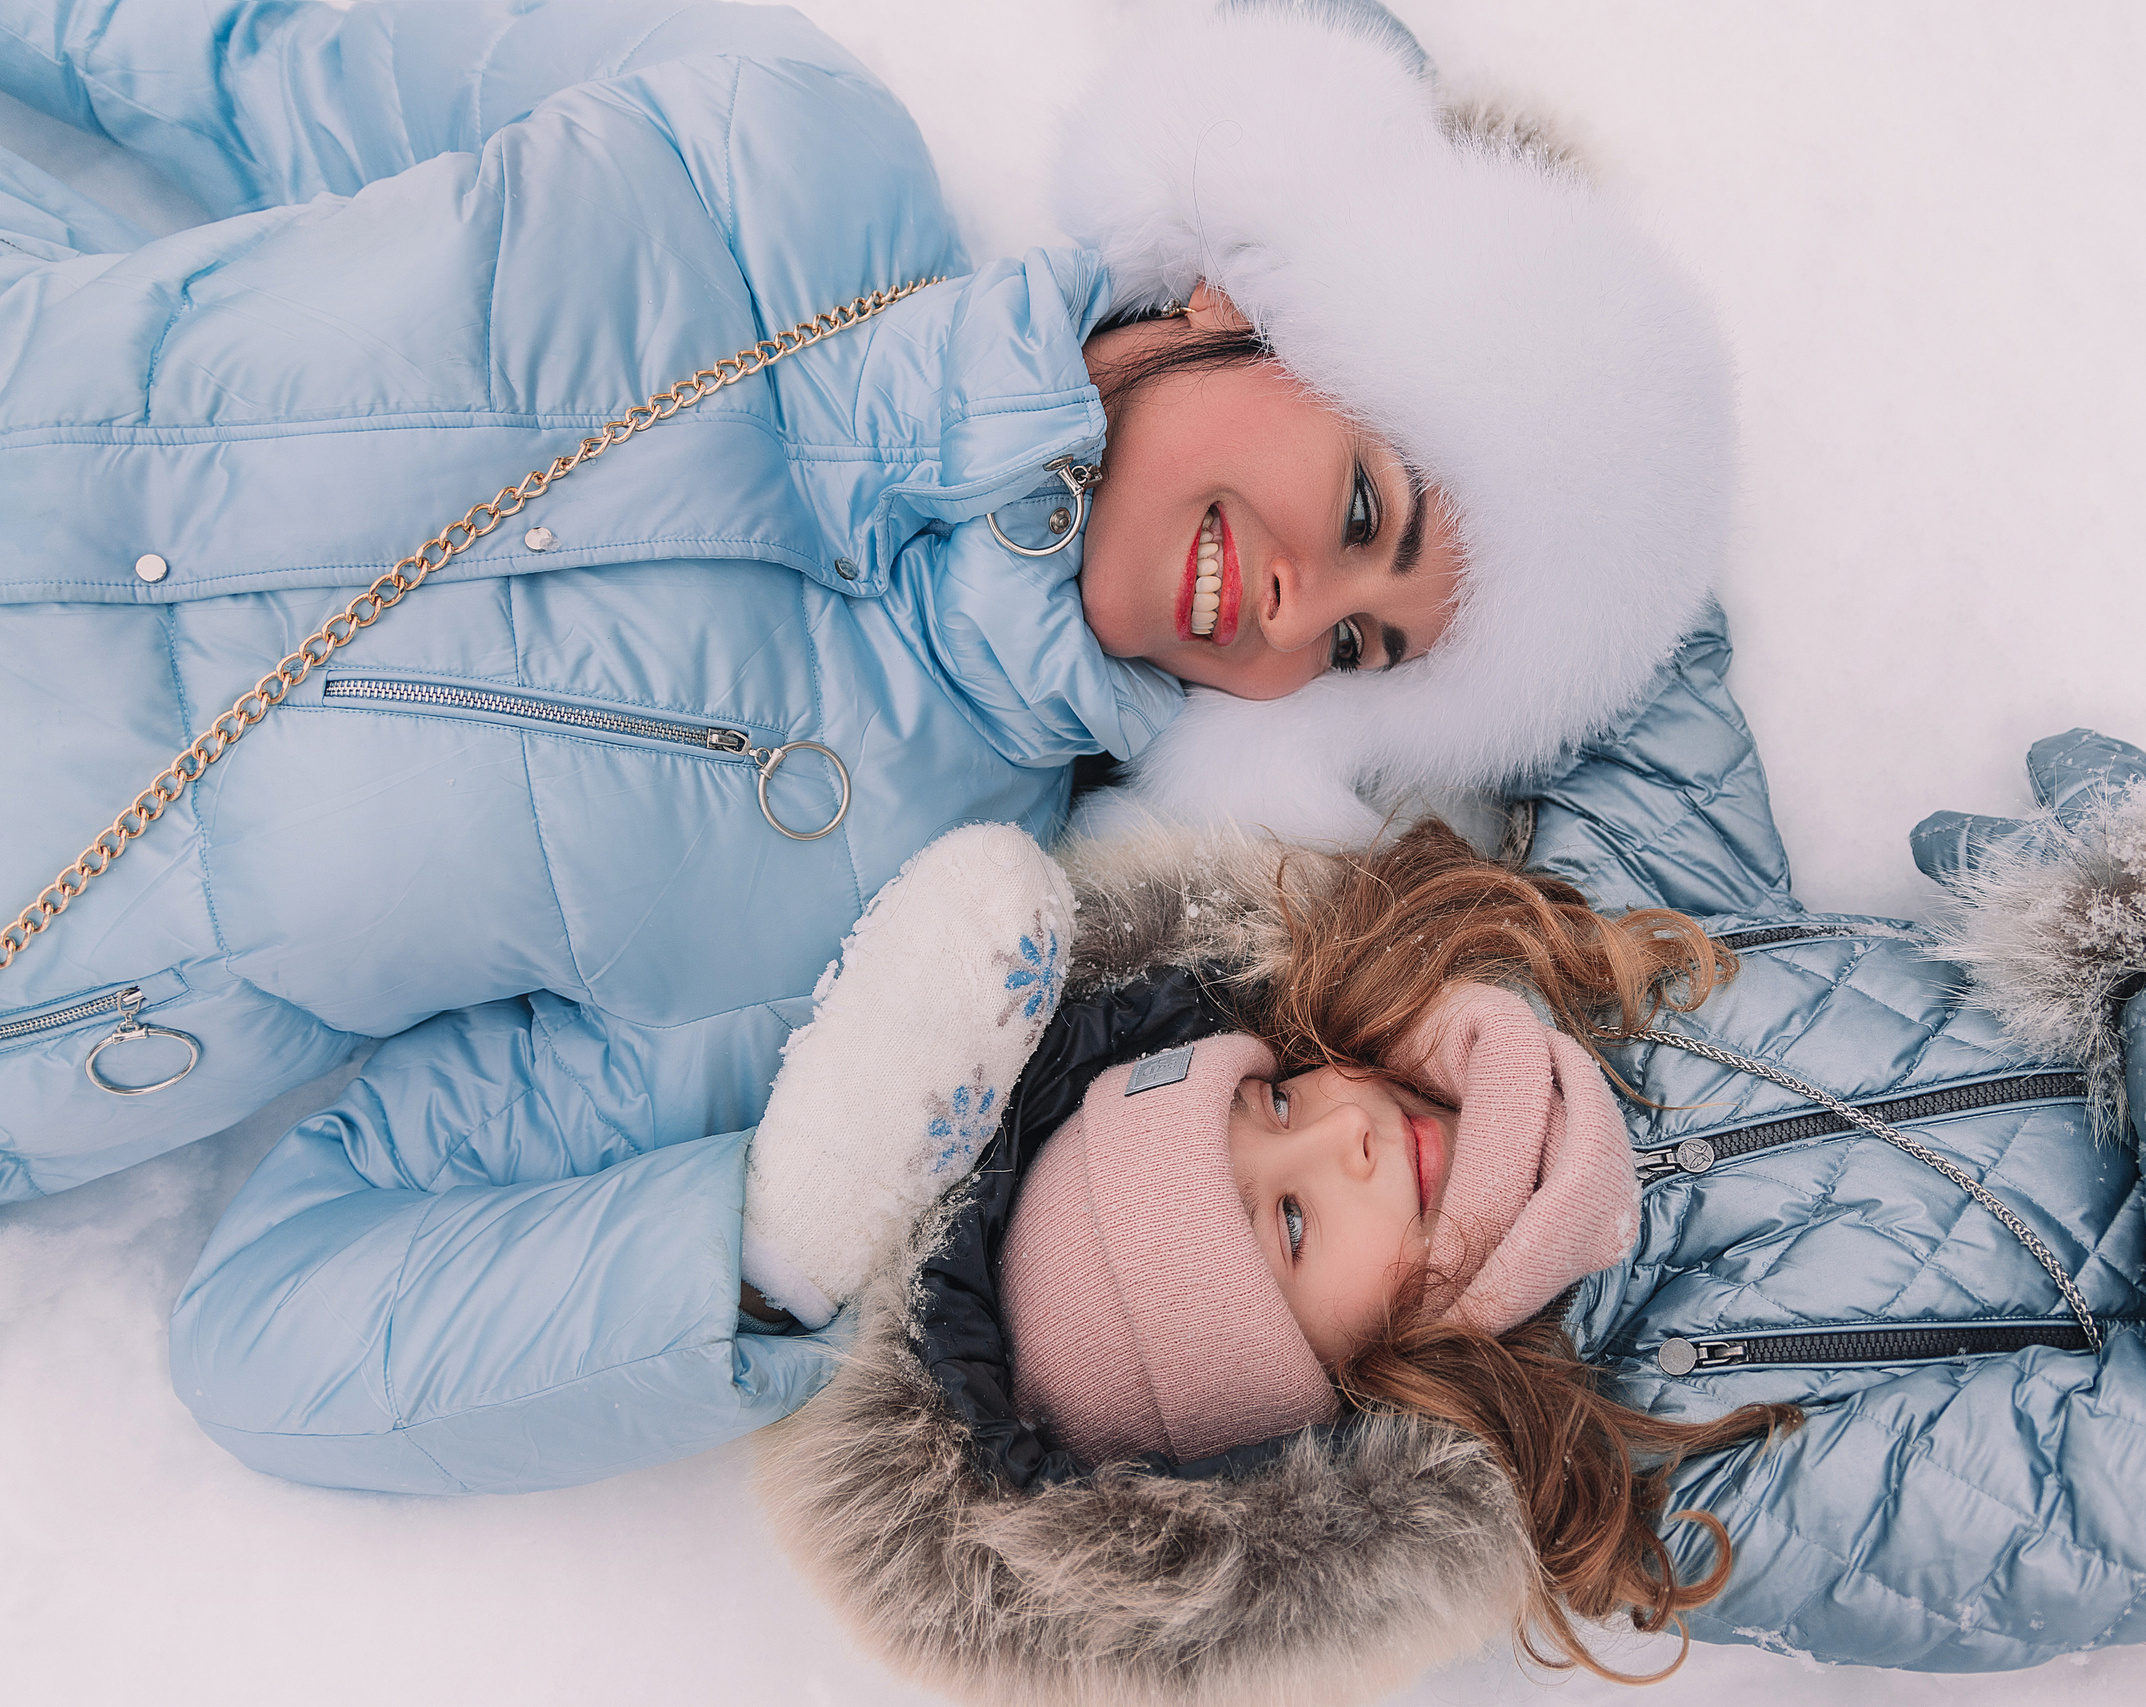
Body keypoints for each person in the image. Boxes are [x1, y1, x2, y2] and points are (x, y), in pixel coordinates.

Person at [752, 442, 2146, 1698]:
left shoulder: (1570, 990)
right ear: (1329, 1405)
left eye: (1271, 1108)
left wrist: (1404, 269)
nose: (1352, 1147)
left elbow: (1624, 656)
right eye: (1294, 1232)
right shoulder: (1687, 1477)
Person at [0, 0, 1729, 1204]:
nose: (1293, 615)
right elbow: (256, 46)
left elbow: (297, 1319)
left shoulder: (907, 897)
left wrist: (767, 1274)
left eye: (1359, 651)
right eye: (1364, 510)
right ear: (1247, 299)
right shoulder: (763, 143)